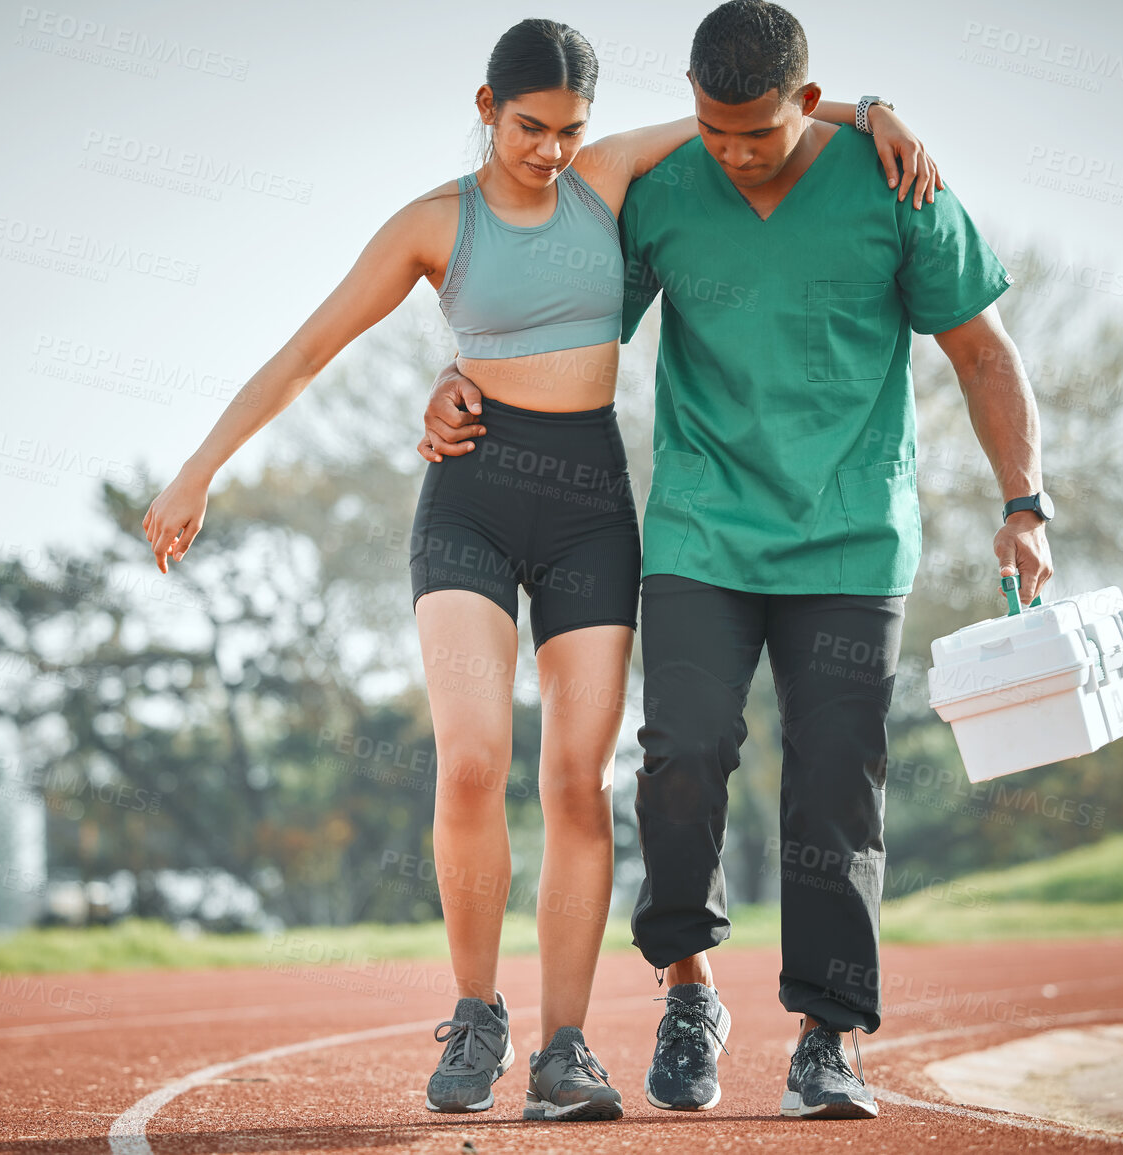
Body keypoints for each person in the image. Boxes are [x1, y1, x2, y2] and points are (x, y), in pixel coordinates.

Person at [145, 16, 941, 1123]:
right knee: (472, 763)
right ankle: (477, 1014)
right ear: (485, 108)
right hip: (472, 497)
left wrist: (876, 108)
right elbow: (307, 350)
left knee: (580, 779)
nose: (550, 150)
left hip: (590, 513)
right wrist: (198, 473)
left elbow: (768, 109)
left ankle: (566, 1051)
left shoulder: (609, 178)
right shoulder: (435, 224)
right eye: (530, 127)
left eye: (569, 129)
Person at [422, 0, 1055, 1124]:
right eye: (712, 133)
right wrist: (464, 376)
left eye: (755, 137)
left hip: (852, 540)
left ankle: (827, 1039)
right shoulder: (665, 194)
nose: (732, 155)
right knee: (680, 758)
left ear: (806, 106)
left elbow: (981, 350)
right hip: (701, 534)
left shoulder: (896, 185)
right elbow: (557, 317)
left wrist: (1025, 504)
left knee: (834, 789)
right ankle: (687, 989)